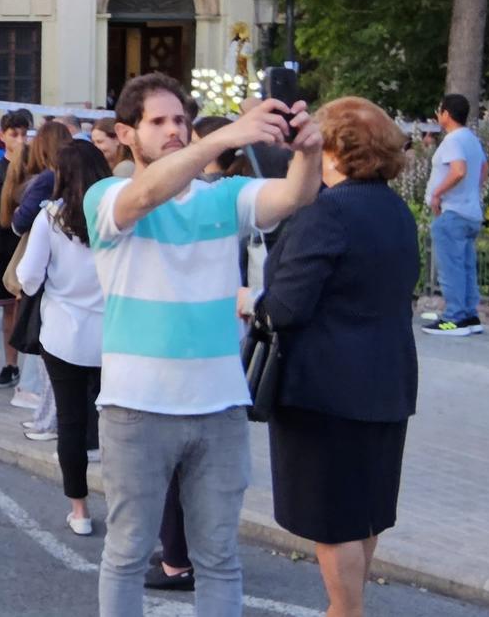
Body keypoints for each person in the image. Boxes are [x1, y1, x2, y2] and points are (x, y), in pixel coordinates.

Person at [88, 74, 323, 615]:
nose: (175, 130)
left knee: (218, 558)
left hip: (219, 407)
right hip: (137, 408)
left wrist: (308, 153)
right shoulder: (109, 195)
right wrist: (220, 138)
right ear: (127, 133)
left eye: (181, 119)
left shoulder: (226, 196)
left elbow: (294, 196)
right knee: (126, 554)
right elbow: (146, 194)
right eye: (159, 121)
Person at [252, 97, 419, 617]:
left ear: (332, 148)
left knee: (334, 520)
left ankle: (345, 612)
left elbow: (284, 307)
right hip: (387, 379)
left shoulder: (326, 212)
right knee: (365, 513)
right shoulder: (394, 208)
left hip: (326, 389)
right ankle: (348, 607)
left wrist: (247, 303)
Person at [14, 140, 111, 537]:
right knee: (118, 428)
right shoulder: (117, 215)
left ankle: (80, 510)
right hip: (116, 333)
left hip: (64, 334)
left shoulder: (51, 217)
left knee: (70, 424)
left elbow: (29, 276)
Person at [423, 93, 489, 337]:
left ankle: (453, 319)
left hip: (451, 212)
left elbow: (458, 170)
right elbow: (483, 168)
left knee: (450, 267)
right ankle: (470, 315)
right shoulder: (471, 139)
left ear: (446, 114)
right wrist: (471, 191)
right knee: (466, 265)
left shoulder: (452, 140)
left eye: (439, 111)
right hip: (471, 212)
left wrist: (438, 194)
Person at [0, 110, 38, 389]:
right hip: (2, 248)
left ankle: (32, 372)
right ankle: (10, 364)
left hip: (30, 246)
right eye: (13, 134)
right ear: (2, 137)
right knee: (9, 312)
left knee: (31, 310)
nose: (19, 139)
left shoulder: (38, 169)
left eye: (23, 133)